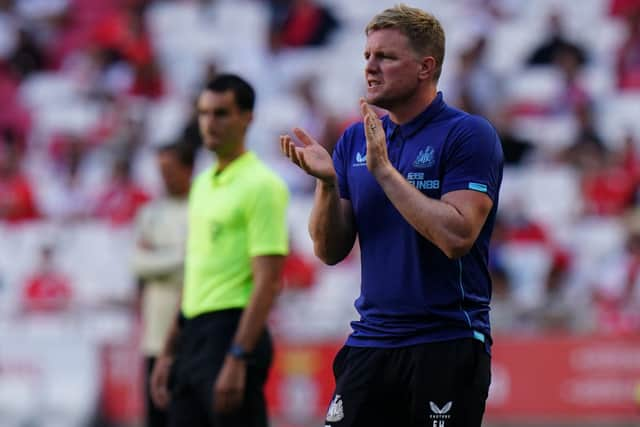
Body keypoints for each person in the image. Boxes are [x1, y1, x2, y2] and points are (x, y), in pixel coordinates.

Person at [280, 5, 503, 427]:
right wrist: (326, 185)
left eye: (386, 57)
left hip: (446, 341)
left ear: (426, 67)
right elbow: (328, 251)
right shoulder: (354, 140)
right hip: (371, 340)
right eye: (367, 56)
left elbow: (457, 237)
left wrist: (385, 173)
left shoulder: (468, 134)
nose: (371, 67)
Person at [150, 74, 289, 427]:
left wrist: (238, 356)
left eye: (221, 113)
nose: (209, 123)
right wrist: (168, 351)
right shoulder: (200, 186)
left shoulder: (262, 185)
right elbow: (194, 271)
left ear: (247, 117)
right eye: (204, 113)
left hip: (231, 331)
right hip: (193, 333)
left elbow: (268, 281)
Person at [131, 141, 195, 427]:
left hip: (192, 335)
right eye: (160, 170)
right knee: (157, 417)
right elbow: (137, 264)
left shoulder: (201, 209)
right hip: (155, 338)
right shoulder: (150, 213)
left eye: (169, 170)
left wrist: (158, 259)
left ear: (187, 169)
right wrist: (182, 256)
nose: (164, 177)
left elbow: (200, 265)